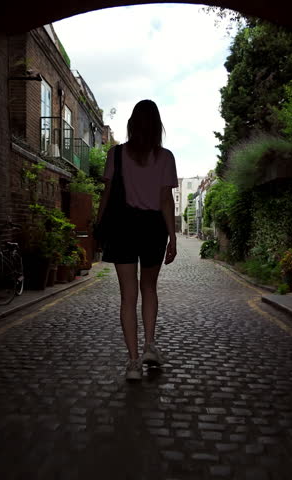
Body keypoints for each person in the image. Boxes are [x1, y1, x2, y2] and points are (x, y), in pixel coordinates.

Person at [96, 99, 178, 381]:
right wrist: (173, 238)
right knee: (149, 289)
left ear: (132, 124)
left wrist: (98, 225)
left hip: (121, 226)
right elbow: (166, 201)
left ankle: (133, 363)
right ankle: (150, 346)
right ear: (157, 126)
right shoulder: (165, 157)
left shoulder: (115, 154)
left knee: (127, 296)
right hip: (154, 227)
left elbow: (106, 195)